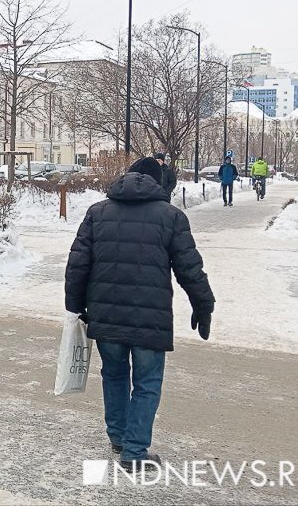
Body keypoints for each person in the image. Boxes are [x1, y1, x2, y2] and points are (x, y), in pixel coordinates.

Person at [65, 157, 215, 472]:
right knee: (147, 382)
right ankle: (134, 452)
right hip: (151, 318)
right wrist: (203, 304)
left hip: (105, 316)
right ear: (160, 183)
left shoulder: (97, 213)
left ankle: (119, 438)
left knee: (114, 375)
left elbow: (77, 265)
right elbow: (189, 268)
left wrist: (75, 308)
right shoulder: (171, 217)